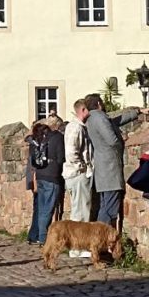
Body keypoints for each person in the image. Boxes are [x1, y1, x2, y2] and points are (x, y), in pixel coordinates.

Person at [85, 93, 125, 227]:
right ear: (99, 104)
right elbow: (111, 140)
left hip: (101, 168)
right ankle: (101, 240)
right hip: (110, 168)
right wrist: (121, 142)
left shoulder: (90, 119)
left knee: (104, 205)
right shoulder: (100, 117)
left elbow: (115, 121)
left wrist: (136, 112)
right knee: (110, 208)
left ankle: (98, 240)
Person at [63, 99, 94, 256]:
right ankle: (78, 247)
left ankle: (76, 247)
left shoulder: (75, 127)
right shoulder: (76, 128)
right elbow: (71, 152)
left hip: (74, 173)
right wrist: (82, 167)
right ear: (82, 110)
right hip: (77, 173)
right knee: (81, 211)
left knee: (79, 210)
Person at [27, 117, 64, 246]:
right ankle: (43, 238)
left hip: (40, 175)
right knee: (47, 209)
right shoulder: (57, 137)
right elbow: (61, 158)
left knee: (42, 208)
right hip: (52, 176)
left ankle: (40, 236)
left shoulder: (38, 138)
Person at [25, 123, 46, 244]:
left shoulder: (33, 144)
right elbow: (34, 165)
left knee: (37, 206)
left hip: (34, 179)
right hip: (36, 178)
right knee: (39, 207)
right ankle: (34, 234)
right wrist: (34, 182)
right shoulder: (35, 145)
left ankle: (33, 234)